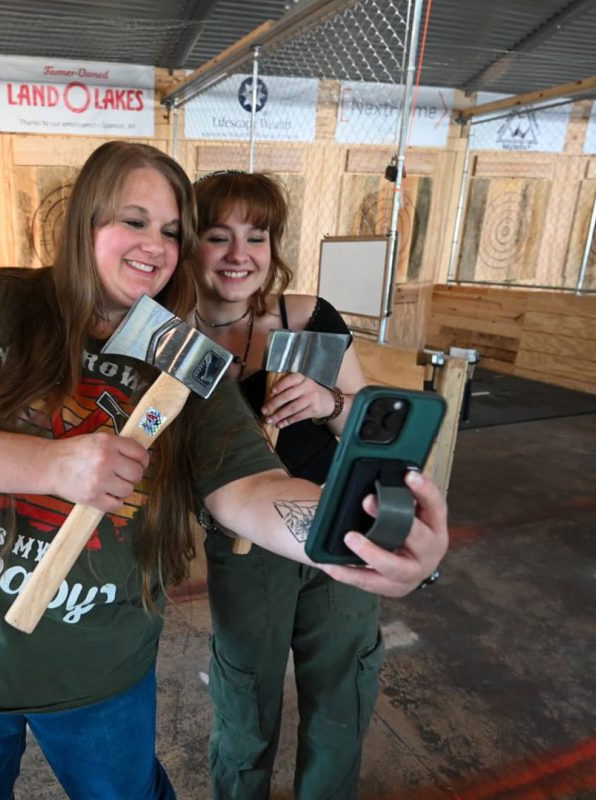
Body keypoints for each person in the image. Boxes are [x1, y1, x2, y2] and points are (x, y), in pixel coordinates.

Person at [0, 142, 448, 800]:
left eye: (170, 231)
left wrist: (348, 534)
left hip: (101, 671)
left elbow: (248, 486)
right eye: (133, 221)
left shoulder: (185, 358)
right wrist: (52, 465)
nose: (155, 245)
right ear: (85, 223)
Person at [193, 169, 386, 800]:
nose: (239, 255)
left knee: (341, 699)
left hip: (339, 527)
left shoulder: (306, 317)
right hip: (245, 547)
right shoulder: (172, 337)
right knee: (243, 704)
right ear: (189, 244)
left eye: (257, 236)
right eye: (218, 236)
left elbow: (367, 421)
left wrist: (329, 400)